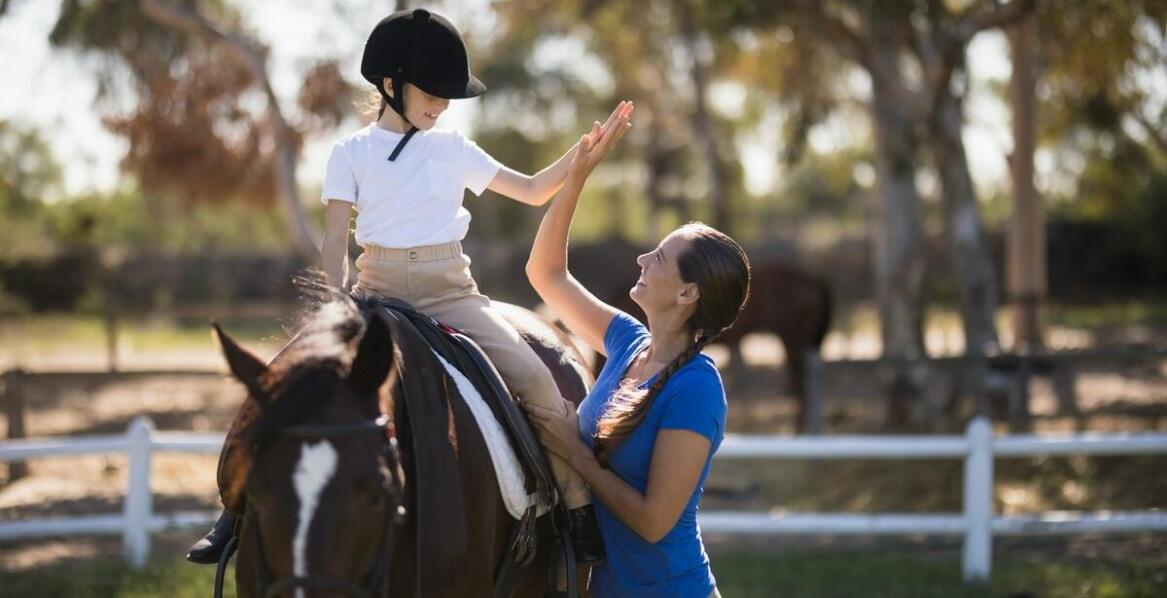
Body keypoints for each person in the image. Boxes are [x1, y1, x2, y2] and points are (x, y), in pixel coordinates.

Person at [187, 7, 615, 565]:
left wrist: (579, 157)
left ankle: (576, 509)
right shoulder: (350, 153)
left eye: (447, 97)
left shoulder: (453, 148)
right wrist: (337, 304)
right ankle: (234, 513)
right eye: (431, 93)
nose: (441, 105)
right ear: (390, 85)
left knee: (538, 384)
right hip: (374, 295)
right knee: (277, 384)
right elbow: (334, 239)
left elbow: (533, 191)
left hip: (452, 296)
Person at [523, 101, 750, 597]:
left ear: (688, 294)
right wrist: (577, 176)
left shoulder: (697, 389)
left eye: (661, 258)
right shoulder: (627, 340)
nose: (643, 258)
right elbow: (545, 274)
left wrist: (575, 452)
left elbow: (653, 523)